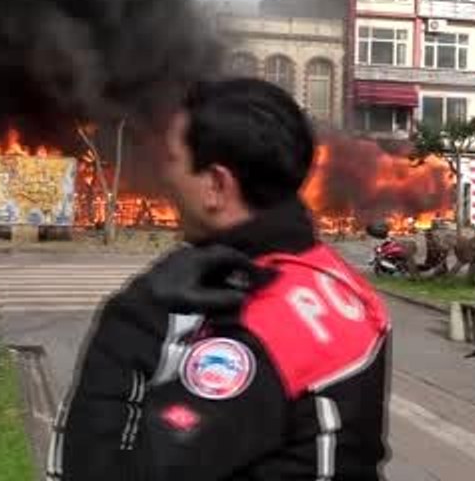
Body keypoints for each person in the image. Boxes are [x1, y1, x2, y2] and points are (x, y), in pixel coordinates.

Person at [48, 78, 392, 481]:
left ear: (215, 184)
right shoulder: (335, 277)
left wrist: (129, 324)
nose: (166, 177)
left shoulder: (254, 334)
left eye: (173, 160)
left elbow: (106, 470)